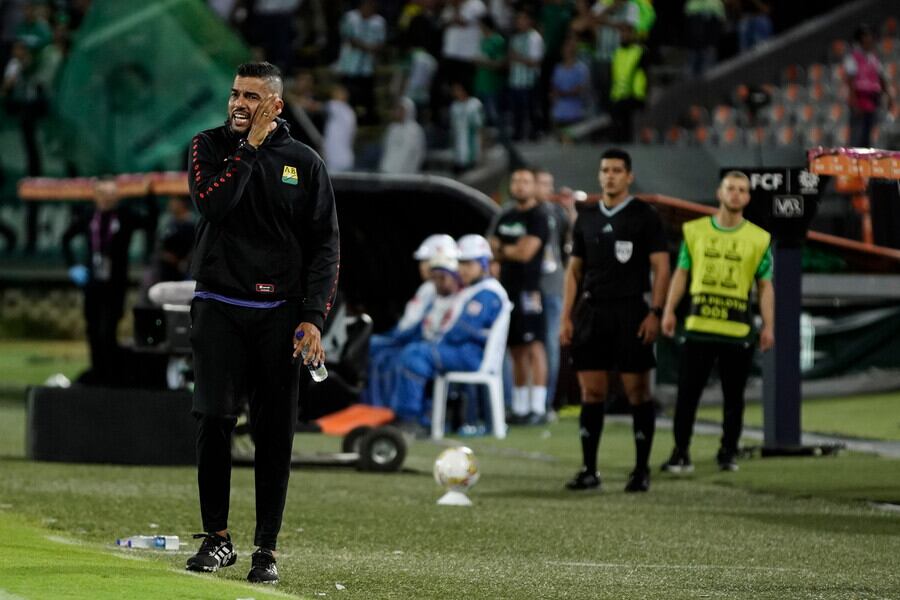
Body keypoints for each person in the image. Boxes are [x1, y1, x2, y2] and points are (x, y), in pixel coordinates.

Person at [185, 61, 340, 584]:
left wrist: (314, 318)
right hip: (218, 305)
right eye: (234, 94)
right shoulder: (207, 147)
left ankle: (266, 549)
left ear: (274, 105)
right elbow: (214, 205)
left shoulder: (305, 163)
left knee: (275, 434)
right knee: (213, 418)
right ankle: (217, 538)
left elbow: (325, 245)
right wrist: (249, 149)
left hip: (279, 315)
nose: (238, 104)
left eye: (251, 97)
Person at [560, 148, 670, 493]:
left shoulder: (644, 216)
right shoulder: (587, 216)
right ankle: (589, 470)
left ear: (629, 176)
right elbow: (574, 271)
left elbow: (661, 267)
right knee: (591, 392)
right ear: (599, 175)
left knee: (637, 392)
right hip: (592, 311)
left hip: (630, 311)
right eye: (605, 170)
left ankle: (641, 470)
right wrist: (566, 315)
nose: (610, 175)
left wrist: (656, 311)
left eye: (617, 170)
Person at [660, 171, 774, 473]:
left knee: (734, 398)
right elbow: (681, 272)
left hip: (738, 332)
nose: (735, 194)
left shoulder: (759, 239)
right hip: (699, 327)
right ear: (719, 193)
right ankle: (680, 451)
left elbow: (765, 286)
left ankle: (728, 452)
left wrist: (769, 326)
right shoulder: (695, 232)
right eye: (730, 188)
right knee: (687, 395)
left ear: (748, 197)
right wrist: (669, 310)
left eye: (741, 190)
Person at [389, 234, 508, 430]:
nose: (462, 269)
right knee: (413, 352)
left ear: (484, 264)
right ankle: (419, 416)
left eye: (469, 263)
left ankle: (409, 418)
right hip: (459, 350)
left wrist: (436, 342)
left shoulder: (488, 292)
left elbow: (463, 331)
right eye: (460, 263)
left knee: (415, 355)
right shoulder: (472, 289)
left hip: (471, 354)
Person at [61, 177, 155, 385]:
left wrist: (149, 197)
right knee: (93, 329)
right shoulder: (89, 217)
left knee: (108, 330)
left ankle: (110, 376)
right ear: (96, 196)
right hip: (93, 285)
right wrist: (72, 266)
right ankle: (96, 373)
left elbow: (150, 223)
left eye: (113, 194)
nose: (108, 199)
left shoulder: (124, 217)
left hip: (115, 285)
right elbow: (66, 238)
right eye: (104, 194)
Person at [362, 234, 461, 408]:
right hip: (412, 340)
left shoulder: (455, 294)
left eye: (426, 261)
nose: (423, 267)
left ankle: (395, 410)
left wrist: (398, 339)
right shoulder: (428, 289)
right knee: (369, 349)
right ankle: (373, 406)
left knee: (396, 357)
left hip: (428, 345)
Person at [490, 168, 550, 424]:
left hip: (530, 289)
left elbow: (526, 253)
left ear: (533, 186)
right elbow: (489, 246)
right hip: (507, 289)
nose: (520, 186)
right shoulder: (505, 215)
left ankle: (538, 407)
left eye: (525, 181)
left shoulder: (539, 216)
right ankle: (520, 406)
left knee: (534, 347)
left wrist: (502, 249)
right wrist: (507, 250)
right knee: (515, 348)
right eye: (515, 181)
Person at [535, 168, 570, 416]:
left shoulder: (556, 212)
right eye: (542, 183)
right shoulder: (519, 212)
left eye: (550, 183)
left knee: (549, 345)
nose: (548, 189)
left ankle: (546, 403)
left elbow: (573, 242)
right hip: (526, 287)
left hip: (551, 287)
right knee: (523, 347)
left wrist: (571, 210)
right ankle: (523, 402)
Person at [335, 0, 386, 126]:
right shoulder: (350, 17)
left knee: (368, 98)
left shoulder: (379, 22)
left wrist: (371, 48)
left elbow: (381, 43)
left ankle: (368, 123)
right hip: (349, 66)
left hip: (367, 68)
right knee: (348, 96)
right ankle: (345, 121)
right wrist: (367, 47)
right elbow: (348, 37)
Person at [844, 25, 894, 148]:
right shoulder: (853, 57)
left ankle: (866, 162)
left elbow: (881, 78)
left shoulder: (874, 58)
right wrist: (855, 103)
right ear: (860, 40)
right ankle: (854, 161)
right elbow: (850, 81)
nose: (870, 40)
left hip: (873, 100)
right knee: (857, 135)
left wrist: (889, 96)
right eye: (867, 37)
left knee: (868, 135)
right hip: (860, 99)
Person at [507, 9, 544, 141]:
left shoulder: (534, 38)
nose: (520, 22)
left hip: (529, 80)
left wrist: (517, 57)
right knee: (516, 110)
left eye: (523, 19)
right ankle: (518, 133)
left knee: (532, 109)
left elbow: (535, 61)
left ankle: (535, 132)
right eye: (518, 19)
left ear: (529, 21)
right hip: (515, 80)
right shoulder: (515, 38)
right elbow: (510, 59)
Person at [378, 97, 426, 174]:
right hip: (387, 170)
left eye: (401, 110)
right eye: (397, 109)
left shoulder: (415, 130)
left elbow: (417, 154)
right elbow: (386, 149)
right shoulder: (392, 128)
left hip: (406, 173)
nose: (398, 112)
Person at [448, 81, 485, 173]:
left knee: (470, 163)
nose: (455, 93)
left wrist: (482, 144)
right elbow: (453, 125)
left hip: (471, 138)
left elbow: (479, 125)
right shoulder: (454, 106)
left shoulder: (474, 103)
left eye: (458, 90)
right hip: (459, 138)